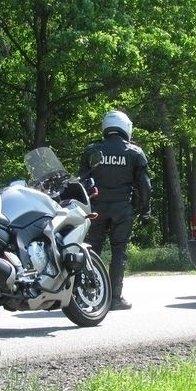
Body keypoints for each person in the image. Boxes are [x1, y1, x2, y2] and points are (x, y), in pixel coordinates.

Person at [79, 110, 151, 311]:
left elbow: (81, 181)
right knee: (119, 251)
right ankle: (115, 298)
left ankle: (89, 294)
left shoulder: (92, 150)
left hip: (96, 209)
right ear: (126, 127)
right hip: (122, 210)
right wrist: (146, 210)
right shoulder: (134, 152)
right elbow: (145, 186)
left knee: (92, 250)